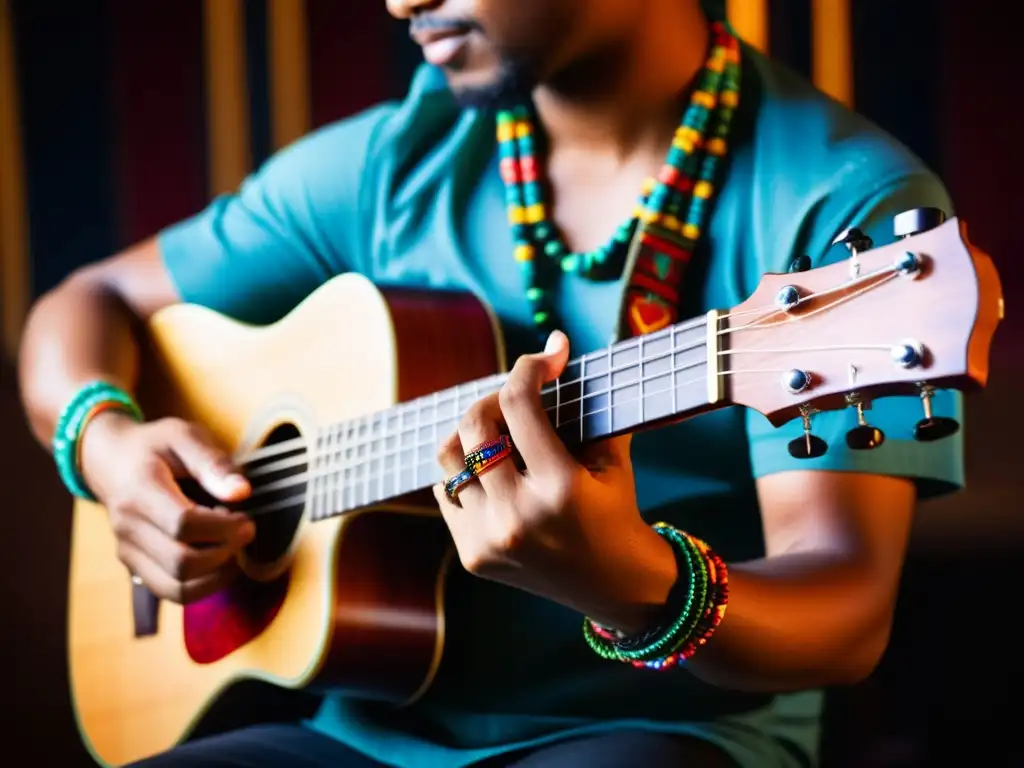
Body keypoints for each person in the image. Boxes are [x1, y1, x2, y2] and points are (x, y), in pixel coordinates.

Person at [18, 0, 965, 766]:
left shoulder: (841, 209)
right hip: (352, 734)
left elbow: (845, 618)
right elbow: (83, 302)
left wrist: (636, 583)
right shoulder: (388, 168)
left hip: (660, 735)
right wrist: (106, 444)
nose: (401, 3)